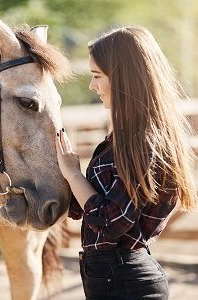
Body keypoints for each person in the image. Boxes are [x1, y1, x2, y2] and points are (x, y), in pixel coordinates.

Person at [55, 26, 197, 300]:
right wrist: (4, 191)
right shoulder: (121, 139)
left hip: (122, 281)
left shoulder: (143, 142)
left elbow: (111, 221)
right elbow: (83, 207)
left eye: (97, 76)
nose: (92, 86)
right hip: (112, 277)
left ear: (122, 78)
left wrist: (74, 175)